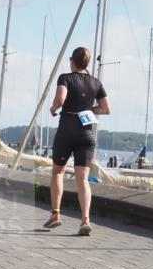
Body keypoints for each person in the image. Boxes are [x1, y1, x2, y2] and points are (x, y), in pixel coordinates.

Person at [45, 47, 110, 235]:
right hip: (87, 132)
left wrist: (53, 108)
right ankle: (85, 220)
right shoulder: (96, 82)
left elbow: (60, 98)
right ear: (87, 63)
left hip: (67, 129)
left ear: (72, 60)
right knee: (83, 178)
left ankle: (56, 214)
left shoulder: (65, 78)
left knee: (58, 172)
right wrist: (89, 109)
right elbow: (106, 108)